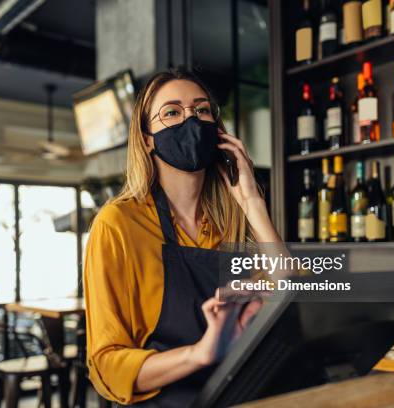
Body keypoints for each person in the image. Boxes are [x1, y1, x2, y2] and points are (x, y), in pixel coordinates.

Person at [83, 68, 282, 407]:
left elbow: (295, 300)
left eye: (202, 110)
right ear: (147, 139)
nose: (191, 120)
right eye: (172, 112)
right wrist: (199, 354)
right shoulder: (118, 225)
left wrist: (253, 203)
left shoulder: (234, 219)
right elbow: (105, 366)